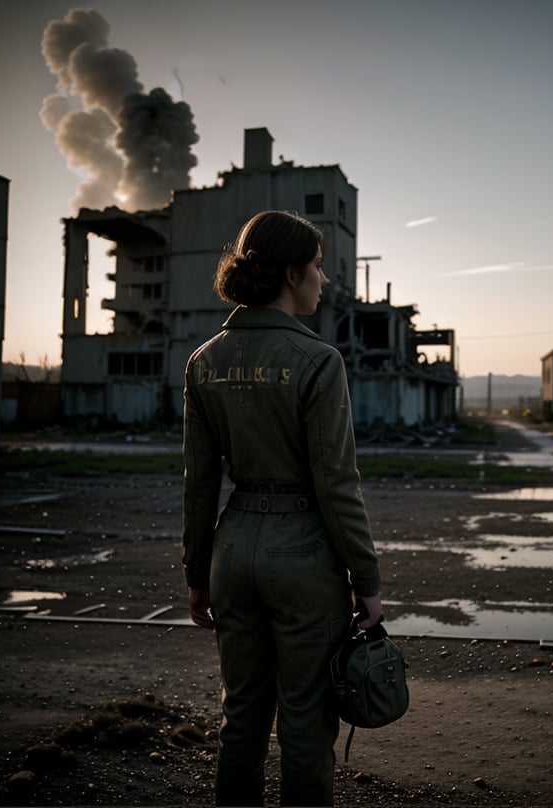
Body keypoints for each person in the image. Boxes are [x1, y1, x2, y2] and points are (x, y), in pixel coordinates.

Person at [181, 210, 383, 807]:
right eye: (319, 267)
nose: (324, 280)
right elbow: (337, 484)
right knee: (305, 720)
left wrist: (198, 574)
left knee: (241, 715)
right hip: (302, 558)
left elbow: (198, 482)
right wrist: (366, 579)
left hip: (232, 550)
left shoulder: (204, 360)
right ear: (292, 273)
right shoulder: (319, 360)